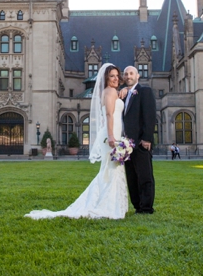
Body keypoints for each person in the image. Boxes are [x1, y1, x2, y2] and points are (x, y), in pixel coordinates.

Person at [26, 63, 128, 220]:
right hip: (111, 135)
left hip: (113, 133)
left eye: (116, 75)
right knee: (110, 171)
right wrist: (111, 137)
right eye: (112, 76)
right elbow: (108, 115)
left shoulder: (112, 92)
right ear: (106, 78)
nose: (115, 78)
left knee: (111, 170)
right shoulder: (109, 92)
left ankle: (112, 204)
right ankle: (107, 206)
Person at [121, 66, 157, 214]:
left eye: (131, 73)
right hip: (126, 145)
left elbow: (150, 115)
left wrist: (147, 138)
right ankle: (137, 205)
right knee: (131, 177)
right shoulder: (124, 94)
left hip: (141, 143)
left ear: (138, 76)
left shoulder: (144, 91)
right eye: (126, 74)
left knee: (145, 176)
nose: (128, 76)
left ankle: (146, 207)